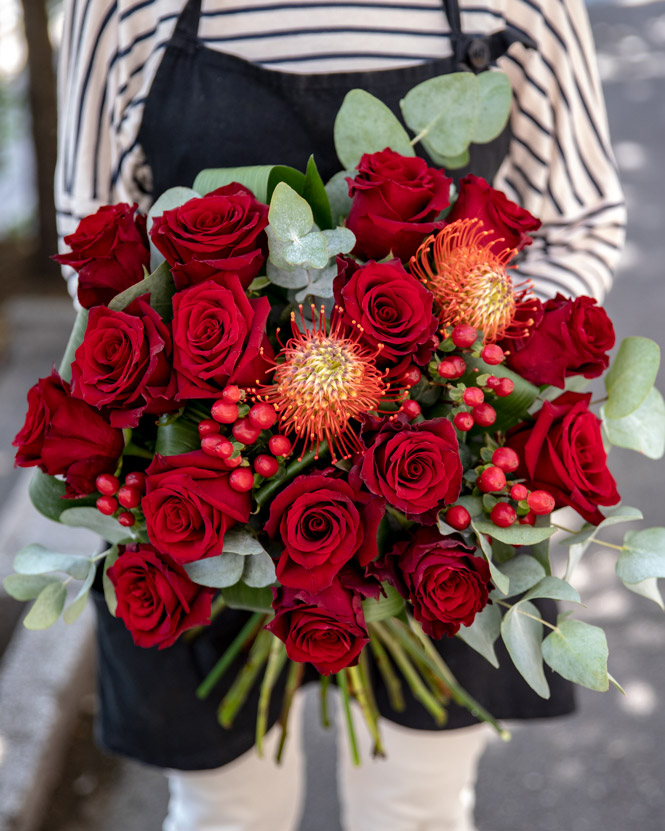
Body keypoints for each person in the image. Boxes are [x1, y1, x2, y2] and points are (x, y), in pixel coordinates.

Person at [54, 2, 626, 829]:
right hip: (197, 493)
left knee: (417, 806)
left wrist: (460, 371)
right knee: (223, 811)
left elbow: (579, 222)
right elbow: (93, 220)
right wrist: (227, 400)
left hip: (445, 491)